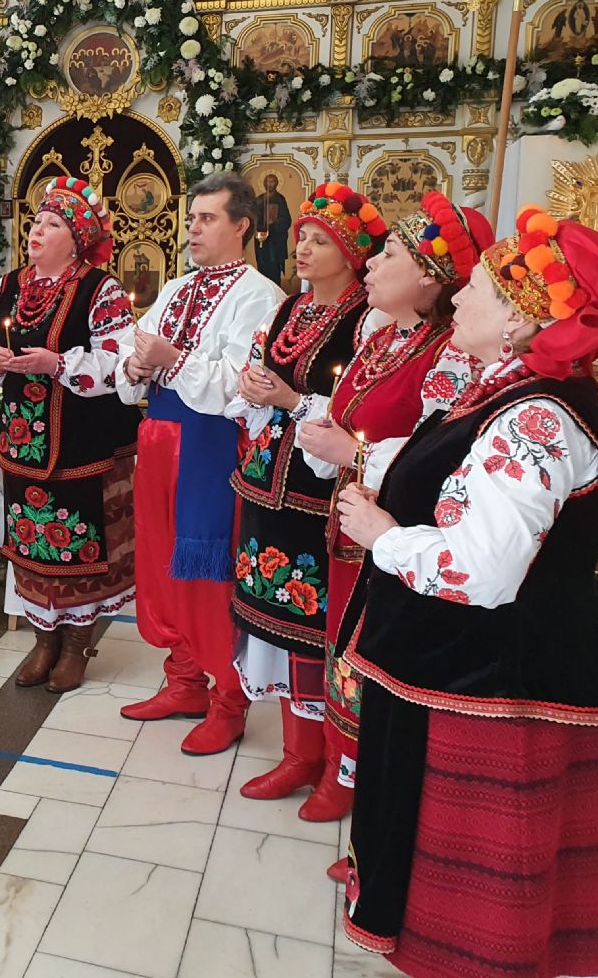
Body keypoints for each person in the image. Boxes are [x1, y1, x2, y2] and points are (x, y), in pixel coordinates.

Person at [334, 206, 598, 978]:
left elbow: (481, 569)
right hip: (458, 672)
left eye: (480, 291)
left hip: (488, 687)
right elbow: (453, 462)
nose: (458, 300)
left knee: (472, 912)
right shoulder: (513, 390)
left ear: (521, 322)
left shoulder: (539, 420)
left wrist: (382, 535)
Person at [295, 191, 491, 847]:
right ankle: (335, 771)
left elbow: (440, 454)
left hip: (398, 540)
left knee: (375, 668)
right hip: (350, 528)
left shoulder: (449, 355)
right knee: (340, 655)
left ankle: (363, 795)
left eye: (391, 255)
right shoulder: (378, 335)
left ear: (431, 277)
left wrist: (350, 450)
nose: (372, 266)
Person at [115, 172, 284, 754]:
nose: (194, 228)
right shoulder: (176, 288)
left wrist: (171, 357)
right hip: (159, 440)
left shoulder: (260, 297)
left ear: (242, 226)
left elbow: (243, 387)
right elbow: (138, 350)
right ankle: (183, 679)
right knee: (163, 562)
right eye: (192, 218)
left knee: (209, 569)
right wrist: (134, 369)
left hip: (209, 447)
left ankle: (228, 701)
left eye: (208, 218)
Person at [226, 184, 383, 804]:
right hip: (267, 486)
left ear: (351, 253)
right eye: (303, 240)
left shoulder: (365, 322)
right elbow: (258, 376)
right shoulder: (288, 311)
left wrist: (290, 401)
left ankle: (336, 767)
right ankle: (298, 753)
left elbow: (357, 410)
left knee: (319, 628)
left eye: (321, 241)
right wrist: (252, 385)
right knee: (279, 623)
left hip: (321, 499)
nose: (305, 250)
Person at [0, 176, 141, 692]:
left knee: (79, 542)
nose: (37, 230)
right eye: (37, 221)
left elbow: (121, 363)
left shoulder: (100, 289)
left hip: (82, 442)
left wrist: (58, 362)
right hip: (24, 441)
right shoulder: (10, 286)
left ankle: (76, 646)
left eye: (52, 224)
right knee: (31, 541)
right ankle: (44, 641)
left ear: (77, 237)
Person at [253, 174, 293, 286]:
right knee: (262, 264)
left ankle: (275, 287)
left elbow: (286, 220)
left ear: (276, 184)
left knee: (274, 265)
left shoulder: (280, 199)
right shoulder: (259, 199)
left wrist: (274, 222)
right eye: (268, 182)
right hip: (261, 239)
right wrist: (257, 227)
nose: (270, 184)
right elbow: (253, 217)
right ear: (264, 183)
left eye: (272, 182)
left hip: (275, 240)